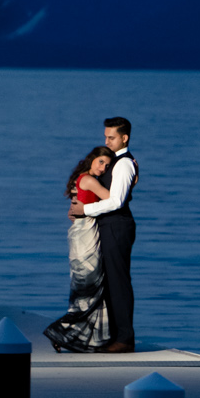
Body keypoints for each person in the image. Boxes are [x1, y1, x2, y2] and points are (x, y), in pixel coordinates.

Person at [68, 116, 138, 352]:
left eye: (111, 137)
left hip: (118, 226)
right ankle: (111, 335)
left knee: (118, 282)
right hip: (107, 225)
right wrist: (79, 209)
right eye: (105, 136)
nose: (106, 141)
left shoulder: (125, 164)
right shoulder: (114, 162)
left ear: (124, 138)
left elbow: (117, 201)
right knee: (107, 282)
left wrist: (85, 209)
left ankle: (125, 339)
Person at [43, 147, 113, 353]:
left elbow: (75, 204)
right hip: (86, 234)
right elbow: (114, 199)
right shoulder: (90, 180)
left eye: (107, 166)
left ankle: (81, 338)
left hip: (79, 231)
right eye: (101, 162)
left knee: (84, 287)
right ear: (92, 159)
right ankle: (60, 331)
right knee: (89, 286)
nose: (103, 168)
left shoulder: (79, 178)